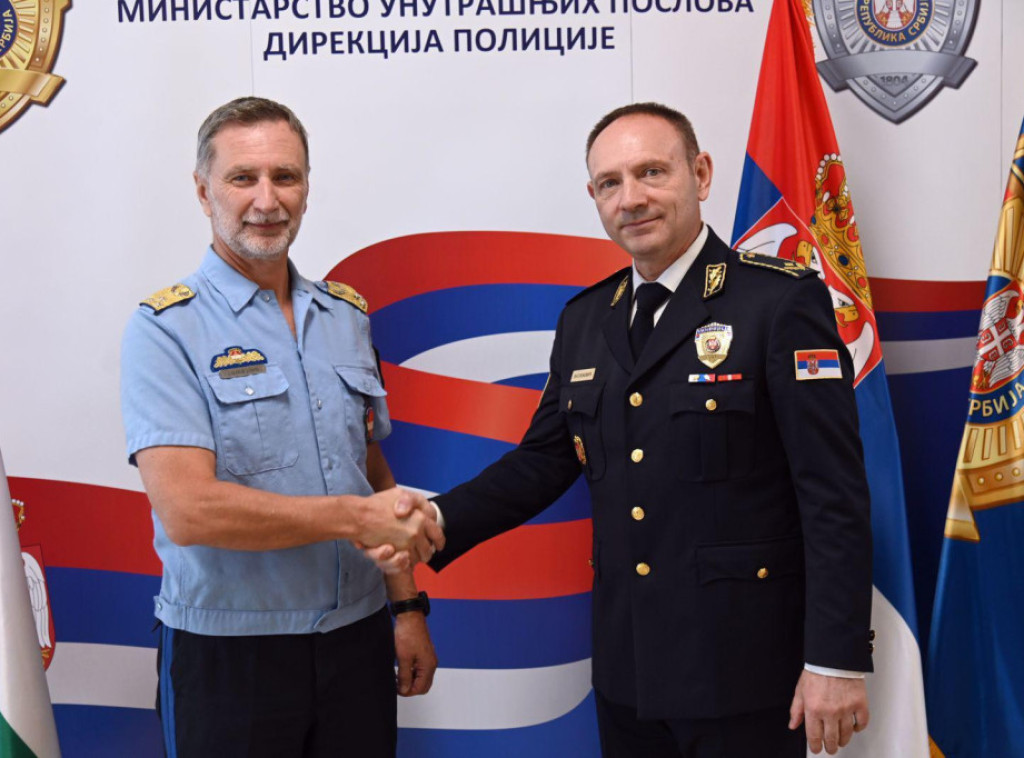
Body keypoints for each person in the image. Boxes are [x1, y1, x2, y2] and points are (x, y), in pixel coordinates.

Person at [382, 102, 874, 757]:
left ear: (701, 174)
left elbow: (833, 493)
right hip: (629, 671)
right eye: (610, 183)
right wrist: (438, 519)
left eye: (651, 172)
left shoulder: (778, 302)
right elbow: (543, 461)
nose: (631, 198)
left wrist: (836, 659)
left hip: (746, 668)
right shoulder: (587, 319)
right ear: (594, 197)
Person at [120, 97, 444, 758]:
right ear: (203, 190)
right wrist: (354, 517)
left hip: (356, 641)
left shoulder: (345, 316)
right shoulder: (166, 330)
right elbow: (189, 510)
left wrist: (407, 609)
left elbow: (370, 474)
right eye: (243, 178)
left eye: (285, 177)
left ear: (306, 187)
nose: (267, 200)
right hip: (230, 656)